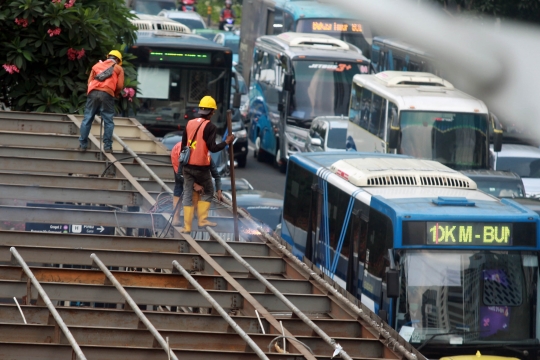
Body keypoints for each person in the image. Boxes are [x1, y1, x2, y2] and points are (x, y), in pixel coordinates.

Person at [180, 95, 234, 232]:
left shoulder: (189, 123)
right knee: (209, 190)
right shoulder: (210, 127)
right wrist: (226, 142)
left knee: (187, 193)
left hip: (187, 165)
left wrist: (182, 166)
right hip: (201, 167)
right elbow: (213, 148)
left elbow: (183, 146)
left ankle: (187, 226)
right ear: (211, 112)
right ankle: (202, 219)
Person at [79, 50, 125, 153]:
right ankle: (107, 147)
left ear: (108, 56)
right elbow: (120, 86)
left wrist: (91, 93)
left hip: (93, 92)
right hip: (107, 93)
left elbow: (90, 81)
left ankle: (82, 145)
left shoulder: (96, 66)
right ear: (117, 59)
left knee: (87, 118)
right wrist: (115, 94)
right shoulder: (118, 68)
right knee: (108, 120)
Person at [170, 141, 223, 226]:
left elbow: (216, 175)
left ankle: (195, 213)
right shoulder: (183, 154)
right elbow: (180, 176)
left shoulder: (207, 157)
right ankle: (175, 218)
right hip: (178, 155)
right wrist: (194, 185)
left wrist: (219, 190)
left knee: (198, 183)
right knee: (179, 185)